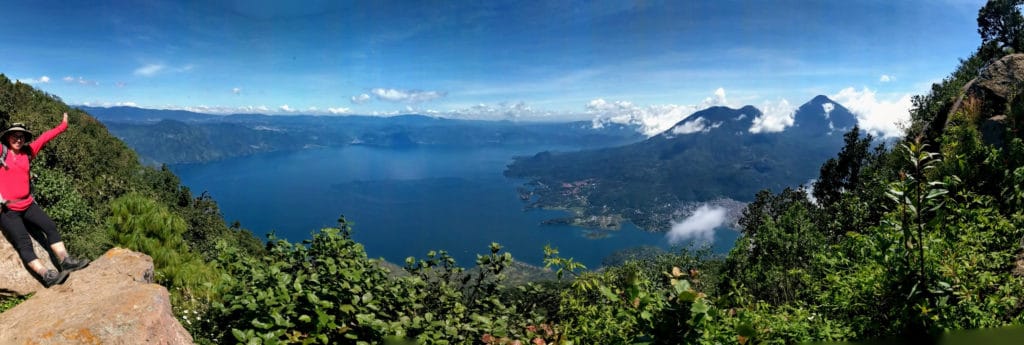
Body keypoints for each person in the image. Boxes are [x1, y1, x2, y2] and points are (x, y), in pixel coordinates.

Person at [0, 112, 88, 287]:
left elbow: (45, 137)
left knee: (50, 226)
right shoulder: (2, 152)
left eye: (21, 136)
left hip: (28, 204)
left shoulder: (28, 152)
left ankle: (65, 261)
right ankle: (46, 275)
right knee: (24, 243)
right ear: (8, 137)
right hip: (8, 210)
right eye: (15, 136)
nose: (18, 139)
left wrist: (63, 126)